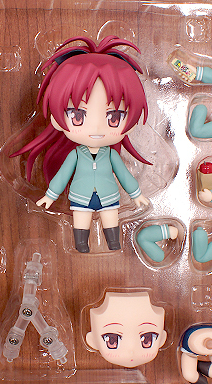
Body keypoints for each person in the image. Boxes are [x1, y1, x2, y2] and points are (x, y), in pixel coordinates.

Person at [12, 36, 150, 252]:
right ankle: (81, 243)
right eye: (78, 116)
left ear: (130, 124)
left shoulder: (111, 155)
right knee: (81, 219)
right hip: (80, 196)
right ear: (57, 120)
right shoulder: (75, 154)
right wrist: (50, 195)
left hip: (108, 195)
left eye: (113, 118)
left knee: (110, 217)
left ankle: (113, 242)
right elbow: (62, 175)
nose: (96, 128)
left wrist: (136, 194)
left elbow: (124, 175)